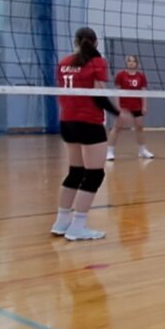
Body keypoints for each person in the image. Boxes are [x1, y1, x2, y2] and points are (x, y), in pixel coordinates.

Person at [51, 26, 117, 241]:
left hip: (67, 122)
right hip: (88, 122)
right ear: (96, 43)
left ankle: (61, 222)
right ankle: (77, 226)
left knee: (76, 172)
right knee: (95, 174)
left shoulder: (63, 63)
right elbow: (98, 95)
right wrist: (118, 113)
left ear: (75, 42)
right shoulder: (97, 62)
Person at [106, 54, 153, 162]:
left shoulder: (141, 76)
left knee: (140, 127)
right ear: (126, 62)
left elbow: (143, 92)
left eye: (133, 61)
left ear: (137, 63)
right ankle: (109, 151)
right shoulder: (121, 75)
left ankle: (142, 150)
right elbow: (117, 92)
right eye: (129, 61)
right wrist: (118, 107)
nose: (131, 63)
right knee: (117, 128)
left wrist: (144, 106)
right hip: (124, 107)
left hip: (137, 106)